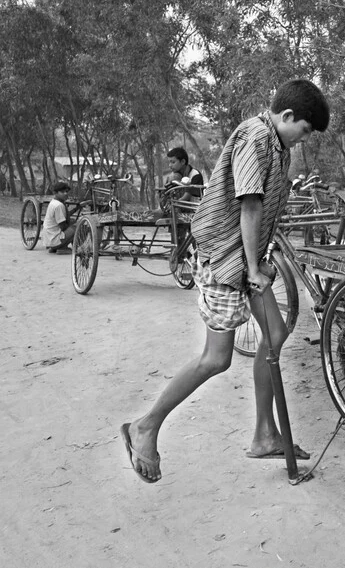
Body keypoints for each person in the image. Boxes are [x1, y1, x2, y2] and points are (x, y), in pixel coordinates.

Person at [121, 79, 330, 483]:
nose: (303, 140)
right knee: (216, 359)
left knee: (274, 335)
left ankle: (265, 435)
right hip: (223, 260)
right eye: (304, 131)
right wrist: (254, 270)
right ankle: (144, 426)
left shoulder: (277, 147)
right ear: (287, 117)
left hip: (243, 260)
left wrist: (256, 265)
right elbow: (249, 205)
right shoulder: (255, 137)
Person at [41, 181, 76, 253]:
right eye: (62, 192)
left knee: (73, 223)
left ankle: (55, 247)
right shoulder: (58, 205)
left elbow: (65, 215)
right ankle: (63, 247)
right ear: (55, 193)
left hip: (49, 240)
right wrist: (72, 225)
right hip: (55, 240)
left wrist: (77, 208)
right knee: (77, 226)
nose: (65, 194)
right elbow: (63, 226)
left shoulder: (53, 202)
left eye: (66, 191)